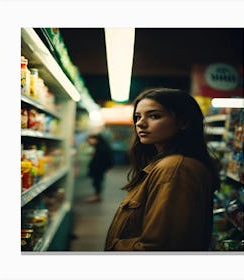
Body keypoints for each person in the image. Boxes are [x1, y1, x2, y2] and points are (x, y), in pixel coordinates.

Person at [104, 87, 220, 251]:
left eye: (154, 116)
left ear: (183, 122)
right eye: (137, 117)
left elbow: (160, 248)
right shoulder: (167, 164)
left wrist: (113, 247)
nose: (140, 123)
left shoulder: (174, 169)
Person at [86, 134, 114, 203]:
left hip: (99, 168)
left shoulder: (102, 147)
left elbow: (106, 158)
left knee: (97, 181)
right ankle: (97, 195)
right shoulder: (101, 146)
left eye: (91, 139)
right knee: (98, 181)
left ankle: (97, 196)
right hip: (100, 167)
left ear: (96, 139)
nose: (89, 141)